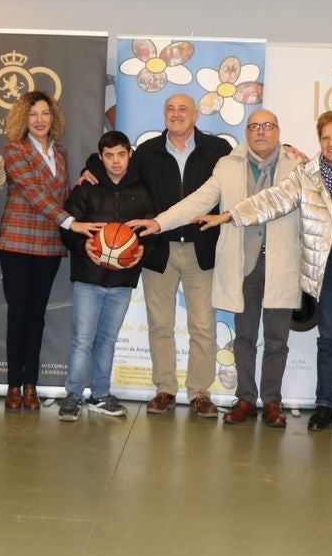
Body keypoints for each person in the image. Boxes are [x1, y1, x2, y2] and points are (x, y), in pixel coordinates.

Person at [202, 111, 332, 432]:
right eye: (326, 137)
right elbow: (272, 199)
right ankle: (324, 405)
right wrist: (230, 215)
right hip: (326, 272)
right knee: (328, 341)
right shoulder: (307, 174)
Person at [130, 109, 302, 428]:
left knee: (277, 339)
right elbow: (199, 200)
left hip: (282, 263)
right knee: (246, 336)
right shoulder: (228, 164)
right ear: (246, 131)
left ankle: (273, 402)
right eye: (253, 126)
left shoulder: (299, 166)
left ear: (278, 131)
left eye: (267, 126)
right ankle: (247, 399)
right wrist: (159, 222)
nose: (260, 132)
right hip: (243, 264)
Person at [91, 93, 232, 417]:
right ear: (164, 114)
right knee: (160, 325)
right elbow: (114, 167)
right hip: (159, 250)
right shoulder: (148, 152)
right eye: (170, 109)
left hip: (202, 249)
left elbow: (247, 162)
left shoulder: (218, 150)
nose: (176, 114)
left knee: (202, 325)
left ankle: (200, 393)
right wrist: (90, 169)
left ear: (195, 115)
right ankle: (165, 389)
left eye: (183, 108)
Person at [0, 91, 99, 411]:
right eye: (33, 114)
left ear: (53, 118)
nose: (40, 120)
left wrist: (79, 185)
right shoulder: (14, 150)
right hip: (17, 242)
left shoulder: (62, 152)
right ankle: (13, 386)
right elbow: (33, 193)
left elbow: (58, 196)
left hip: (48, 245)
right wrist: (71, 223)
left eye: (45, 113)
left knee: (37, 316)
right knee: (18, 315)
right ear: (22, 119)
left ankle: (31, 386)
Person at [56, 131, 154, 421]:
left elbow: (152, 230)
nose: (115, 161)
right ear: (101, 157)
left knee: (107, 340)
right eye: (109, 156)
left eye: (121, 155)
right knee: (82, 340)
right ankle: (72, 396)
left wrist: (142, 252)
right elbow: (66, 227)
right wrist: (82, 245)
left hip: (123, 279)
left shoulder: (142, 190)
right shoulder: (86, 189)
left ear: (129, 155)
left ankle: (100, 394)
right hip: (88, 277)